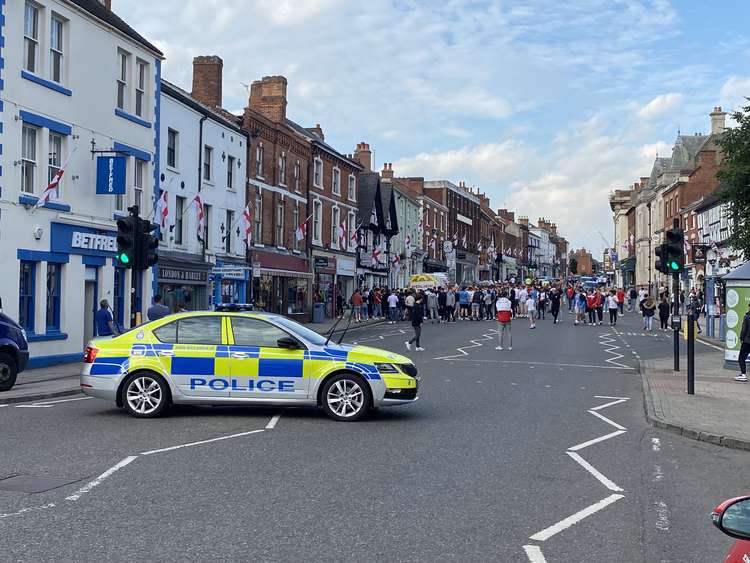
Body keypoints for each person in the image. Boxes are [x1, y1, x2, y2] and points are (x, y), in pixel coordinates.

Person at [735, 302, 750, 382]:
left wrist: (741, 338)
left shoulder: (747, 316)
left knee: (741, 358)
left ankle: (743, 374)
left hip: (747, 341)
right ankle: (742, 374)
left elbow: (744, 329)